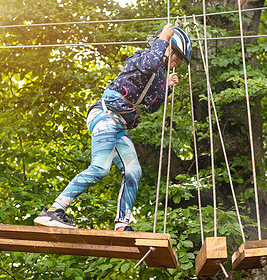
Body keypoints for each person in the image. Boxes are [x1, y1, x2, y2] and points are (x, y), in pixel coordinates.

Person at [34, 24, 192, 231]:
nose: (177, 62)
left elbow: (152, 106)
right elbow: (151, 62)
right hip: (105, 116)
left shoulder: (159, 76)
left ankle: (122, 224)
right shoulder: (142, 57)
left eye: (180, 60)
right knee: (100, 168)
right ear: (165, 47)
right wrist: (163, 37)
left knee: (133, 171)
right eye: (176, 56)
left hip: (119, 125)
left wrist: (168, 89)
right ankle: (54, 211)